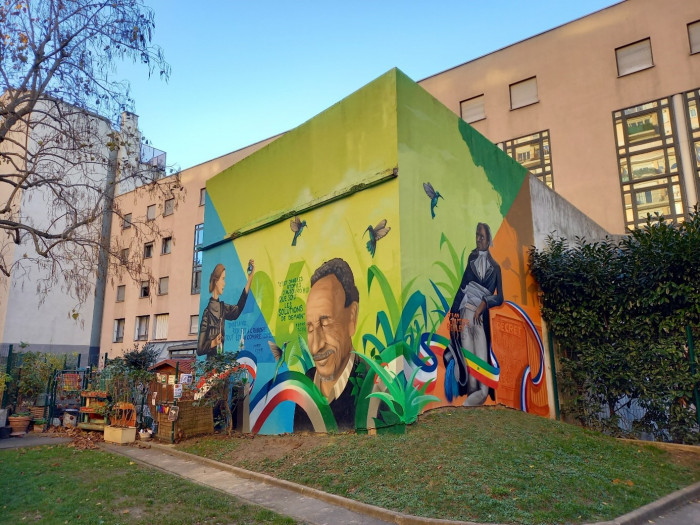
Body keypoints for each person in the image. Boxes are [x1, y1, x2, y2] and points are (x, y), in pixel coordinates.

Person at [295, 258, 360, 430]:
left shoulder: (371, 388)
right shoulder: (307, 388)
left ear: (351, 318)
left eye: (325, 324)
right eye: (310, 328)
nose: (316, 347)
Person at [448, 223, 503, 406]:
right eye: (476, 236)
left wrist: (485, 303)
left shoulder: (495, 268)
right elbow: (462, 287)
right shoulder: (471, 259)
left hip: (480, 320)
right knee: (469, 363)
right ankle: (470, 405)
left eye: (482, 236)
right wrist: (453, 313)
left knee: (481, 360)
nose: (478, 239)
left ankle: (475, 400)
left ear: (489, 240)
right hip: (465, 314)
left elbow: (500, 297)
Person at [197, 260, 255, 358]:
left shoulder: (222, 307)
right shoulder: (207, 313)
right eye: (223, 279)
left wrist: (249, 279)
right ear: (216, 281)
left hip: (220, 364)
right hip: (210, 367)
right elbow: (200, 349)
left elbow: (237, 310)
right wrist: (213, 342)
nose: (224, 283)